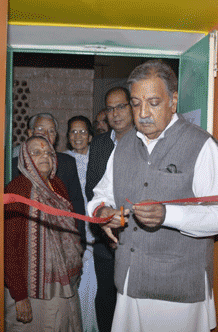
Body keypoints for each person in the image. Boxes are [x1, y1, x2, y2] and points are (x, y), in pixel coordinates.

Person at [87, 60, 218, 332]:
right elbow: (100, 195)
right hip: (131, 284)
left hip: (179, 292)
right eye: (135, 103)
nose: (143, 113)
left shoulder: (201, 145)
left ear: (173, 101)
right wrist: (102, 213)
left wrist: (169, 215)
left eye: (153, 102)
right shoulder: (122, 146)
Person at [4, 135, 83, 331]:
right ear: (25, 158)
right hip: (32, 288)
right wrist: (20, 296)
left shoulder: (58, 186)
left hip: (64, 282)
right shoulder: (17, 189)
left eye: (49, 152)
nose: (45, 157)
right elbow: (7, 246)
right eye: (36, 153)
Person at [85, 86, 134, 332]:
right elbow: (92, 188)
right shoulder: (101, 144)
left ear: (132, 106)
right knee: (106, 298)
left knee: (133, 302)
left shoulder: (146, 139)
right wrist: (105, 223)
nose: (115, 114)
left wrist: (124, 227)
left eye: (121, 106)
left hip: (138, 238)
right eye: (110, 108)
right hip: (105, 239)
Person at [11, 112, 87, 245]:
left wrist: (79, 242)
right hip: (25, 241)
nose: (46, 134)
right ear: (30, 133)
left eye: (51, 131)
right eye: (40, 129)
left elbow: (77, 205)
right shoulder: (15, 165)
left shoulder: (67, 163)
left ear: (56, 137)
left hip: (62, 241)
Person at [63, 115, 99, 332]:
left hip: (96, 230)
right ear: (67, 137)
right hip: (74, 231)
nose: (78, 136)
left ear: (90, 136)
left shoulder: (98, 160)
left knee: (94, 289)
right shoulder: (62, 161)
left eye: (83, 132)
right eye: (73, 132)